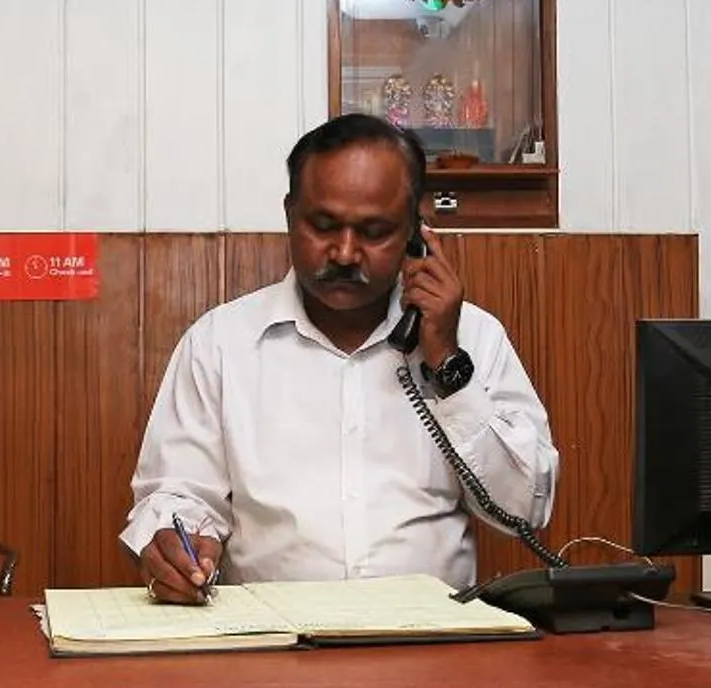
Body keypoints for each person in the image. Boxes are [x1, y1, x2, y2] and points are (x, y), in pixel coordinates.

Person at [121, 114, 558, 603]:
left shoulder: (474, 336)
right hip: (273, 648)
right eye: (323, 226)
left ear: (416, 229)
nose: (346, 253)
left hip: (437, 645)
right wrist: (175, 545)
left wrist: (447, 363)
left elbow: (524, 509)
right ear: (290, 213)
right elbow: (175, 495)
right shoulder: (220, 343)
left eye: (374, 231)